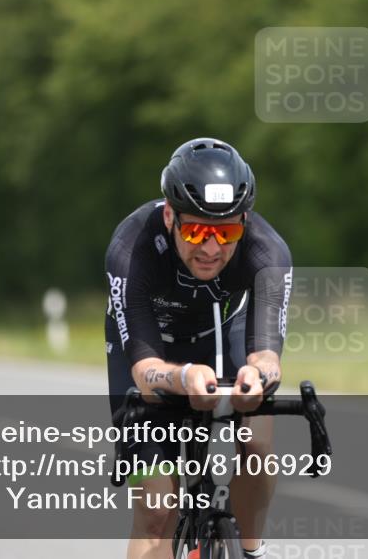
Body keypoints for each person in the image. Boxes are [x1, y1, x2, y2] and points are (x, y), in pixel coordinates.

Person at [105, 138, 292, 559]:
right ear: (169, 215)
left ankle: (250, 550)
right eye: (195, 230)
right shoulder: (131, 248)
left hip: (223, 332)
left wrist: (257, 376)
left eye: (226, 233)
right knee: (156, 510)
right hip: (150, 349)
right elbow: (144, 367)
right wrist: (183, 376)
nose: (211, 248)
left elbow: (266, 355)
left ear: (244, 221)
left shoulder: (268, 251)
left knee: (259, 445)